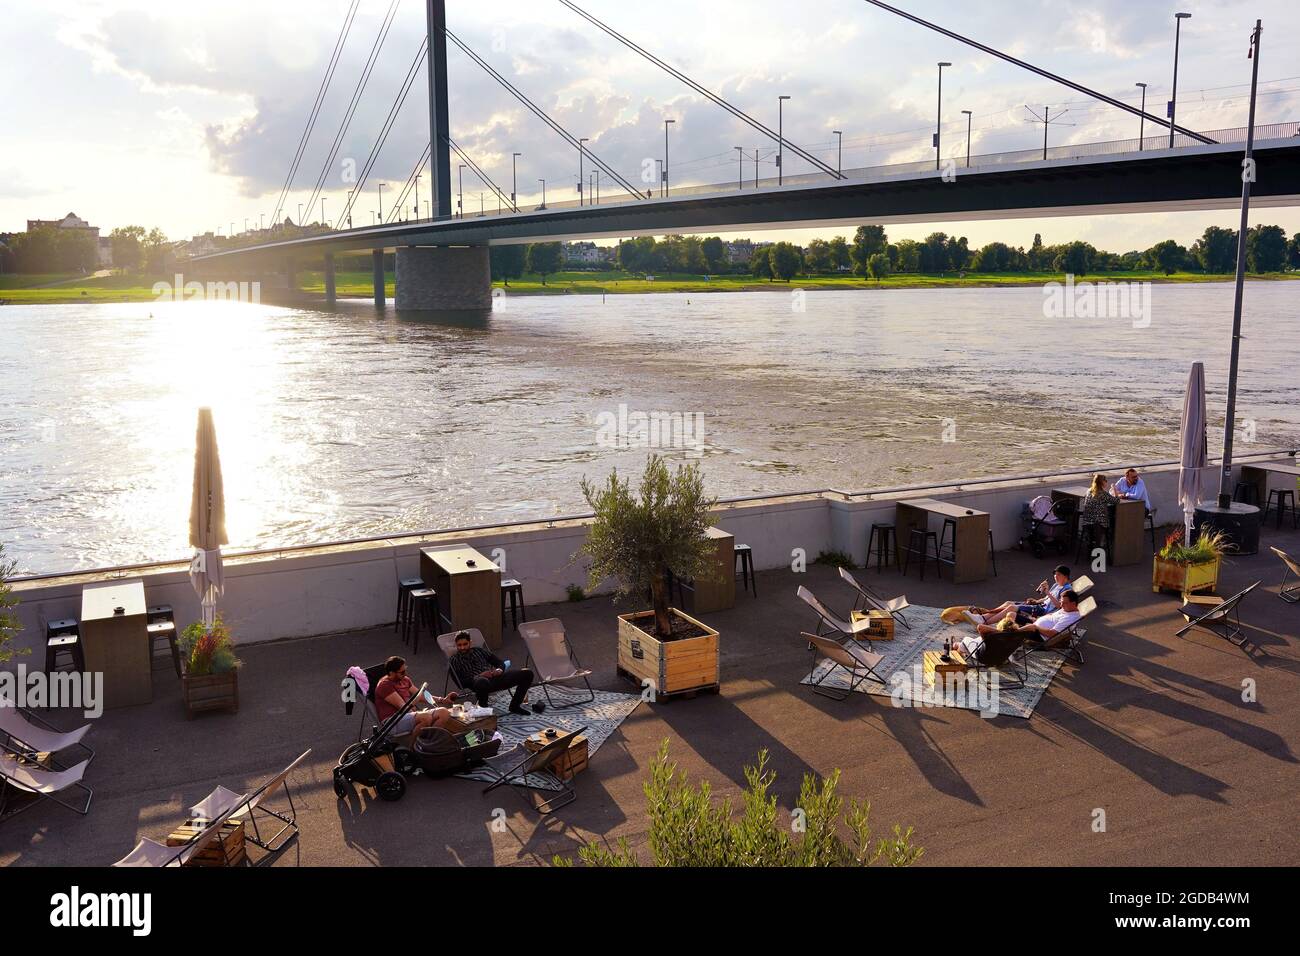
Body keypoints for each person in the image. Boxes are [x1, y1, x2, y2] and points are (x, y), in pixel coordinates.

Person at [960, 590, 1083, 659]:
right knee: (1011, 614)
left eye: (1064, 603)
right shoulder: (1066, 609)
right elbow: (1051, 618)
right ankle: (1001, 631)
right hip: (1036, 625)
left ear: (1073, 603)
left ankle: (1002, 636)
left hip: (1040, 635)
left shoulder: (1071, 617)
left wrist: (1035, 626)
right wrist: (1035, 620)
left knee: (1013, 617)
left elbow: (1052, 633)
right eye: (1061, 602)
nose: (1061, 605)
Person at [448, 631, 534, 715]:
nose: (462, 647)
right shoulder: (454, 660)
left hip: (494, 678)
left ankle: (515, 706)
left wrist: (499, 670)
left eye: (465, 644)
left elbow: (500, 663)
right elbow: (460, 683)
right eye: (459, 645)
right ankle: (483, 711)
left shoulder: (479, 651)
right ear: (456, 645)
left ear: (470, 642)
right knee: (482, 681)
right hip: (477, 683)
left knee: (527, 673)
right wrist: (479, 676)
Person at [374, 656, 458, 737]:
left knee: (444, 712)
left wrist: (443, 700)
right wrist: (420, 714)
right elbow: (402, 706)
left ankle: (430, 743)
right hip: (393, 721)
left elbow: (421, 695)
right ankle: (414, 747)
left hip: (408, 715)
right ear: (391, 673)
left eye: (405, 670)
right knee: (425, 717)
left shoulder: (405, 679)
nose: (405, 674)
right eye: (402, 672)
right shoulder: (384, 685)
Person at [964, 565, 1071, 626]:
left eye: (1058, 575)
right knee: (1008, 603)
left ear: (1065, 576)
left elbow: (1059, 606)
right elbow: (1046, 599)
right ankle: (982, 617)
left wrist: (1047, 592)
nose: (1055, 577)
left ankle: (985, 622)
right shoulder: (1057, 585)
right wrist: (1036, 600)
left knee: (1011, 608)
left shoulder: (1067, 590)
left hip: (1042, 611)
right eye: (1055, 574)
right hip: (1039, 605)